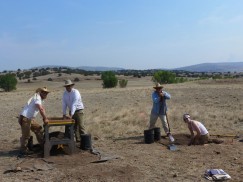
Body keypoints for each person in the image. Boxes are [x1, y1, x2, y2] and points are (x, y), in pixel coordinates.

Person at [18, 87, 50, 155]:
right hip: (26, 118)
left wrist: (45, 117)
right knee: (26, 135)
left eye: (46, 93)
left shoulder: (39, 98)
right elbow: (40, 109)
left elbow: (42, 109)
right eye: (44, 92)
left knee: (38, 129)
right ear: (40, 92)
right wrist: (45, 118)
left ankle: (43, 146)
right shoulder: (37, 97)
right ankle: (23, 150)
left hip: (29, 118)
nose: (45, 94)